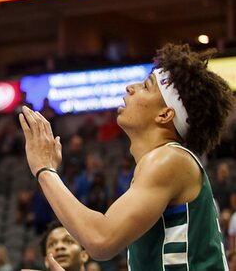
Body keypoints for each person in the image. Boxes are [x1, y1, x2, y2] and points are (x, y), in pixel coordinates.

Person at [21, 43, 232, 268]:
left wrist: (45, 170)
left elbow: (100, 240)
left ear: (165, 114)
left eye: (146, 86)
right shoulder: (160, 165)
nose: (131, 87)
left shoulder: (170, 159)